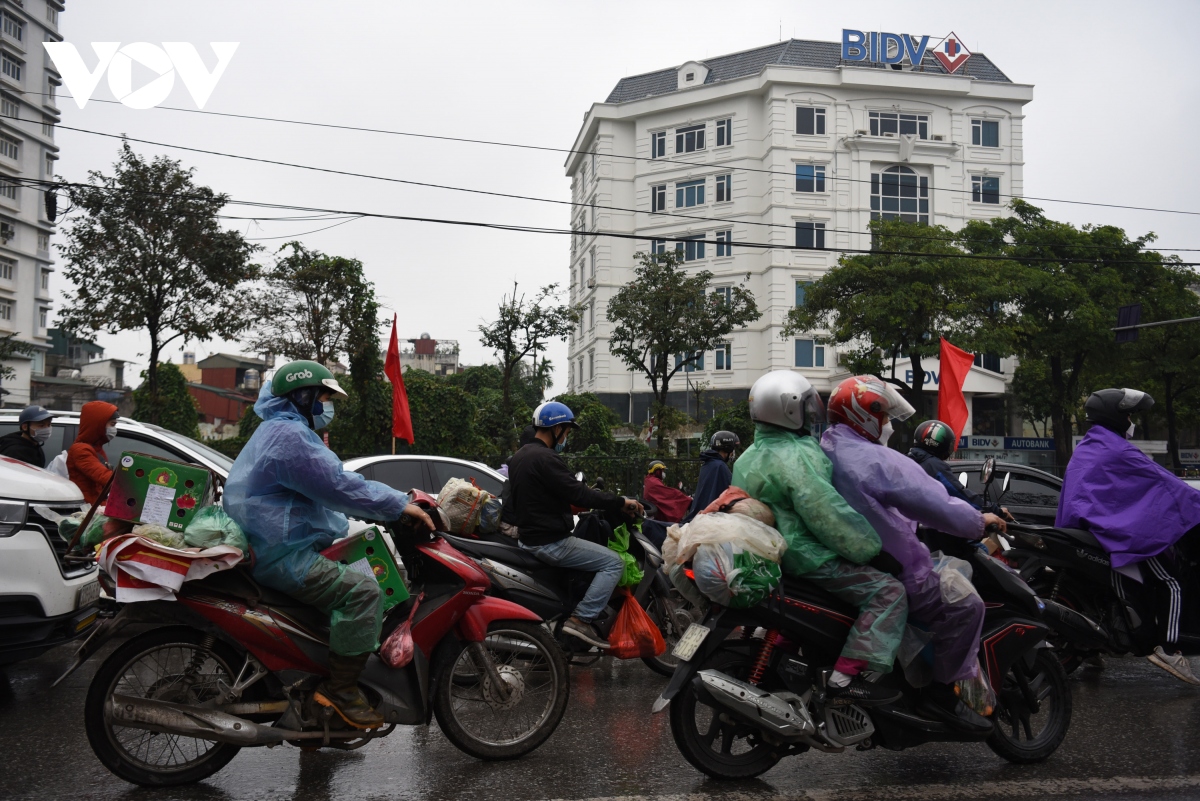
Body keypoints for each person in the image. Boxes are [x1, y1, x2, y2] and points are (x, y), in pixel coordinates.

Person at [224, 360, 436, 730]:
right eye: (323, 397)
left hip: (277, 545)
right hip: (282, 554)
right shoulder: (289, 438)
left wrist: (385, 504)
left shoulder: (280, 431)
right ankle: (340, 691)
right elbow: (338, 485)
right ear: (303, 397)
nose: (327, 407)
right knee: (364, 593)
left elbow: (329, 488)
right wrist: (397, 505)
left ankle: (315, 700)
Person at [821, 376, 1008, 731]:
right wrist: (978, 521)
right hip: (899, 567)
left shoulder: (826, 447)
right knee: (967, 607)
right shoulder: (875, 460)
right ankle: (941, 694)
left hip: (851, 562)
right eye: (885, 416)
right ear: (866, 416)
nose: (888, 425)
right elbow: (934, 504)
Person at [733, 370, 907, 706]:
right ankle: (845, 676)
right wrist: (871, 550)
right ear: (787, 409)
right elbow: (827, 514)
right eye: (806, 406)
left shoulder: (748, 456)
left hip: (777, 555)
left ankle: (789, 646)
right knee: (889, 592)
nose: (813, 414)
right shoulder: (798, 455)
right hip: (808, 556)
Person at [1057, 387, 1200, 683]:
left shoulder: (1090, 446)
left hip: (1086, 532)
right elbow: (1164, 482)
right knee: (1172, 582)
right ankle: (1170, 650)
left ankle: (1090, 646)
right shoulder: (1118, 450)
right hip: (1113, 534)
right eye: (1130, 415)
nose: (1132, 420)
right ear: (1117, 416)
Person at [509, 401, 644, 648]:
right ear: (557, 428)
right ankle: (581, 620)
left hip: (530, 537)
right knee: (613, 562)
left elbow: (542, 495)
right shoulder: (546, 457)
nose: (566, 437)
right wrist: (621, 501)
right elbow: (580, 494)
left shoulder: (520, 456)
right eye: (567, 431)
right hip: (550, 541)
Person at [67, 401, 118, 504]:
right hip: (87, 508)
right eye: (112, 424)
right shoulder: (80, 450)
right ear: (99, 424)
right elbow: (104, 477)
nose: (114, 429)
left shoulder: (97, 448)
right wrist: (130, 483)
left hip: (96, 505)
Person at [683, 430, 740, 523]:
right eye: (733, 449)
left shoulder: (708, 463)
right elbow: (731, 491)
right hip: (711, 519)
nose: (733, 453)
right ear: (728, 449)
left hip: (699, 516)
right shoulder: (719, 466)